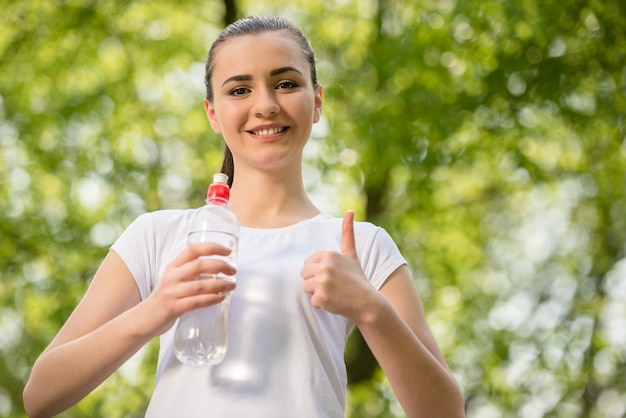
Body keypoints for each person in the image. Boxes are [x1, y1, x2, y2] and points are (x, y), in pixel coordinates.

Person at [23, 16, 465, 418]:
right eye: (239, 89)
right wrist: (155, 311)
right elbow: (40, 396)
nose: (266, 104)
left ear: (317, 101)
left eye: (287, 83)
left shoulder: (361, 246)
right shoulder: (157, 235)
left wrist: (372, 309)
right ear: (213, 113)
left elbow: (445, 412)